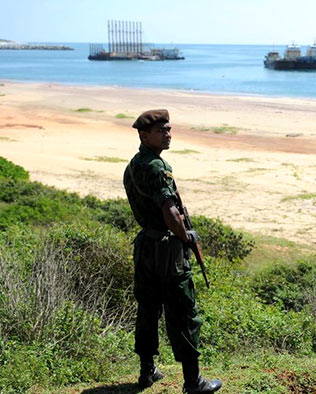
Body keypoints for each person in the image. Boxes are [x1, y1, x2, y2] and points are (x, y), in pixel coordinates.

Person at [123, 109, 222, 393]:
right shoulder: (157, 167)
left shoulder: (135, 164)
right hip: (166, 253)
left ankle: (147, 373)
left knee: (148, 310)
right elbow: (171, 213)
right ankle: (193, 382)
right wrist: (186, 234)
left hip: (145, 248)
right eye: (161, 131)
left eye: (169, 130)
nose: (168, 135)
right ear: (144, 135)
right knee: (183, 313)